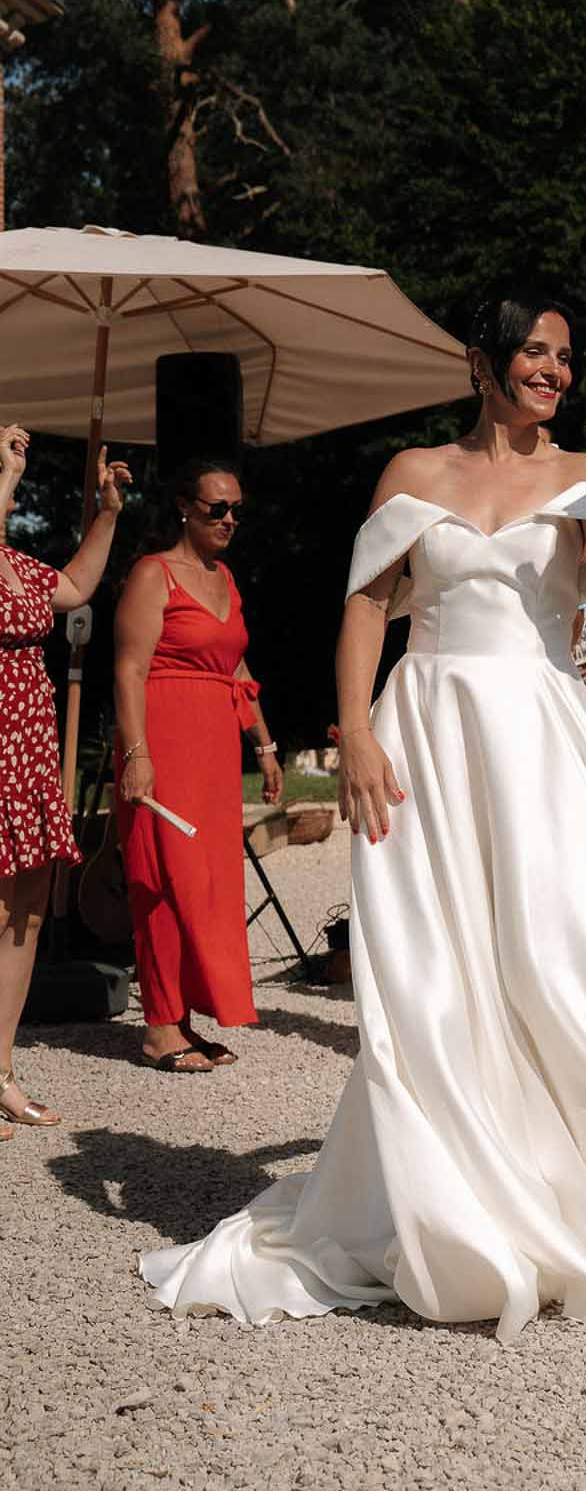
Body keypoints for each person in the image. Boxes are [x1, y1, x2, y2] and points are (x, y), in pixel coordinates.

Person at [137, 295, 586, 1343]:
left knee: (558, 951)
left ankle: (571, 1175)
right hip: (427, 730)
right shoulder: (410, 472)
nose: (554, 370)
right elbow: (367, 603)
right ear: (483, 363)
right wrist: (355, 731)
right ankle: (443, 1187)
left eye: (565, 357)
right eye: (534, 352)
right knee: (432, 965)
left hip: (537, 733)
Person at [114, 458, 282, 1075]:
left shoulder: (225, 578)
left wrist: (264, 745)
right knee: (163, 878)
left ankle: (184, 1016)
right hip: (163, 737)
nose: (229, 519)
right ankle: (160, 1026)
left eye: (237, 509)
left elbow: (235, 667)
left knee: (206, 884)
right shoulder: (153, 573)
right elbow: (129, 669)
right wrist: (137, 755)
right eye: (218, 508)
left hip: (213, 748)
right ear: (185, 507)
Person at [0, 423, 131, 1136]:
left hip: (26, 751)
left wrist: (106, 512)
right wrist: (8, 476)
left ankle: (0, 1070)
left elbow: (77, 585)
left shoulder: (19, 565)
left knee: (23, 914)